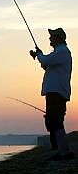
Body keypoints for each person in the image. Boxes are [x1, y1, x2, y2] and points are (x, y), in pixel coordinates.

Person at [30, 28, 74, 160]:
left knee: (55, 121)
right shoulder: (59, 53)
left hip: (57, 91)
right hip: (55, 91)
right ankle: (61, 150)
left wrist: (39, 55)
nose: (49, 39)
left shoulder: (62, 51)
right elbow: (47, 64)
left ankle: (64, 152)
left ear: (58, 38)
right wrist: (40, 56)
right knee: (53, 121)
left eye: (52, 37)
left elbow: (46, 61)